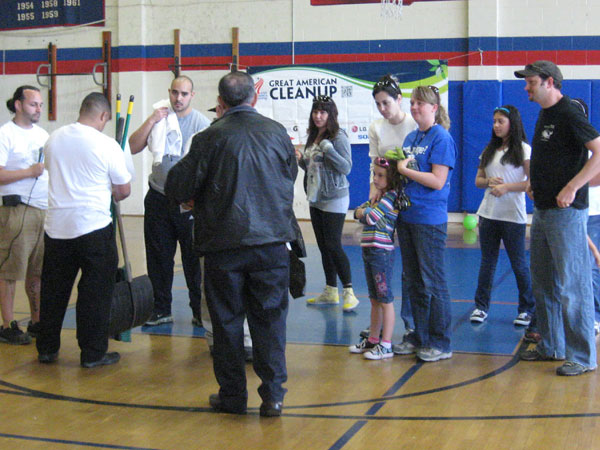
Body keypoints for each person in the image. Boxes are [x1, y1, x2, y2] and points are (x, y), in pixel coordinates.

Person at [165, 71, 297, 417]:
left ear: (220, 102)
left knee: (226, 324)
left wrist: (199, 195)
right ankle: (273, 396)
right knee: (270, 323)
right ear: (254, 97)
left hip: (224, 245)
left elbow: (177, 186)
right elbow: (289, 176)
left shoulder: (209, 137)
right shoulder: (277, 133)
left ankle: (233, 396)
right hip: (271, 243)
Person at [515, 60, 600, 376]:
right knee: (544, 283)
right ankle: (552, 346)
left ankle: (582, 356)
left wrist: (573, 186)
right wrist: (533, 183)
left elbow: (599, 151)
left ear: (549, 82)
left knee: (572, 286)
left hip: (566, 214)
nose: (527, 87)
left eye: (531, 82)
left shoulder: (569, 113)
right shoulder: (544, 114)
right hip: (542, 210)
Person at [36, 93, 131, 367]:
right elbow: (123, 189)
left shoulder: (53, 139)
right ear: (103, 116)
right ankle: (92, 353)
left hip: (57, 228)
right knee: (95, 293)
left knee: (53, 291)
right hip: (93, 227)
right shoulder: (107, 144)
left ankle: (46, 348)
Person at [129, 75, 210, 326]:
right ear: (169, 92)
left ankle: (199, 311)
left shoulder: (201, 123)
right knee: (158, 257)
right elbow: (132, 147)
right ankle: (161, 309)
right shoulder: (159, 118)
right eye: (175, 92)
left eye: (184, 94)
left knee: (193, 259)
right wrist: (151, 120)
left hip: (188, 201)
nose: (178, 98)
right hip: (158, 196)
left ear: (192, 96)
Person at [391, 85, 456, 362]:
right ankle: (419, 334)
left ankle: (441, 342)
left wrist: (404, 169)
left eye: (420, 103)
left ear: (434, 108)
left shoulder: (441, 138)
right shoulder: (411, 137)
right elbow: (405, 174)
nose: (415, 107)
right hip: (407, 216)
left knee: (433, 281)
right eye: (413, 102)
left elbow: (438, 181)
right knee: (413, 280)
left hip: (429, 219)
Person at [360, 74, 417, 340]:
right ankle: (379, 326)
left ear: (399, 99)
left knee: (410, 267)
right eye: (378, 104)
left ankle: (410, 324)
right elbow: (375, 164)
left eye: (386, 103)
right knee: (380, 265)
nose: (382, 109)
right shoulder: (376, 127)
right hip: (386, 202)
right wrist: (373, 192)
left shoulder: (413, 125)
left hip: (410, 199)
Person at [470, 105, 535, 326]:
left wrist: (507, 187)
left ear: (512, 124)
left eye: (501, 121)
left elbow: (531, 182)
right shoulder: (489, 149)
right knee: (487, 262)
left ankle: (526, 309)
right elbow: (478, 181)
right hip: (488, 215)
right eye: (494, 121)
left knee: (518, 263)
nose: (496, 125)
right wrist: (488, 181)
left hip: (512, 216)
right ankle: (481, 307)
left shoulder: (524, 150)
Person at [297, 95, 359, 311]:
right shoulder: (313, 136)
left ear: (331, 114)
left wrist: (328, 149)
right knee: (323, 246)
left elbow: (346, 167)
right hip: (315, 196)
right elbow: (311, 166)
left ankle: (349, 291)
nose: (318, 116)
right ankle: (331, 291)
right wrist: (301, 160)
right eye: (315, 111)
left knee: (333, 245)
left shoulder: (338, 137)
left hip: (335, 197)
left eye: (323, 112)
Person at [0, 86, 48, 345]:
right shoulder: (5, 134)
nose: (38, 109)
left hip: (42, 210)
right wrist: (29, 172)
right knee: (9, 270)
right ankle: (8, 324)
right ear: (18, 105)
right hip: (16, 211)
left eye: (40, 104)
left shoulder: (43, 135)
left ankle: (37, 321)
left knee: (37, 271)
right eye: (33, 104)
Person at [349, 157, 402, 360]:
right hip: (369, 250)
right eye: (374, 174)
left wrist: (365, 211)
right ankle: (373, 339)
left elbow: (369, 217)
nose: (376, 179)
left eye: (381, 176)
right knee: (374, 299)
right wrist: (364, 211)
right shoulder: (377, 197)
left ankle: (386, 344)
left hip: (381, 252)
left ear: (391, 178)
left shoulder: (390, 197)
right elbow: (356, 212)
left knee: (384, 298)